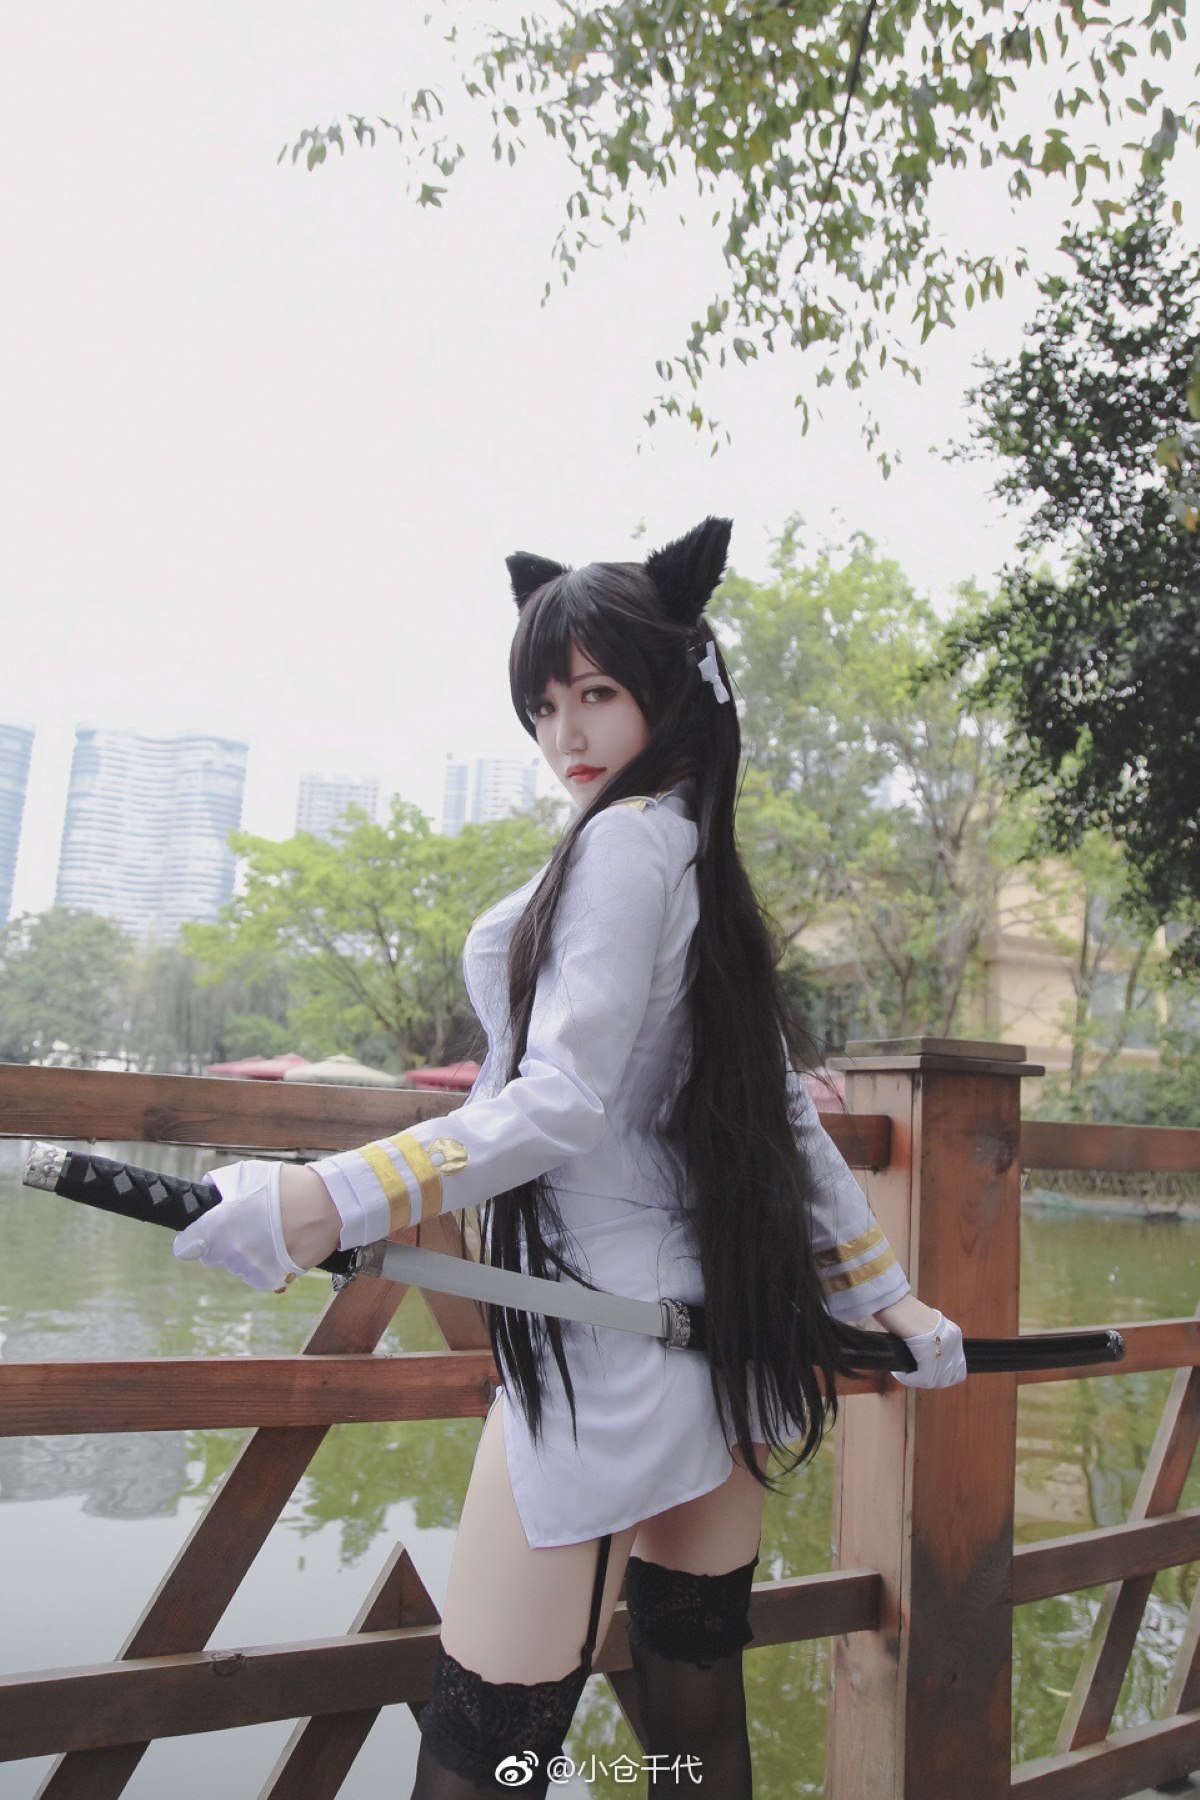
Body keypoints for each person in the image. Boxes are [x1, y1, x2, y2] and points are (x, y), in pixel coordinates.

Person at [174, 517, 967, 1798]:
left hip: (608, 1347)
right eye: (544, 707)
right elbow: (771, 1110)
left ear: (669, 685)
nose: (565, 736)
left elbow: (560, 1107)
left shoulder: (628, 845)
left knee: (485, 1755)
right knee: (694, 1728)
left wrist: (323, 1197)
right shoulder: (690, 848)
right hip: (716, 1340)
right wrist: (888, 1296)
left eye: (595, 694)